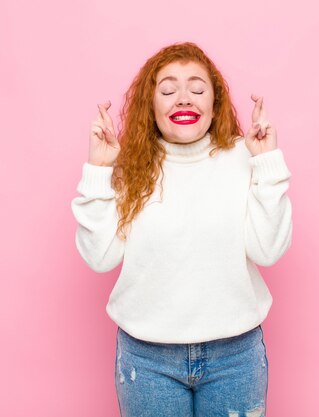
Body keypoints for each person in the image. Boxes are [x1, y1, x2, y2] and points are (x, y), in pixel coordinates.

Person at [71, 41, 292, 417]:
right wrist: (99, 170)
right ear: (150, 105)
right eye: (169, 89)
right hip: (148, 360)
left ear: (214, 102)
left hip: (235, 357)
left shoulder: (243, 157)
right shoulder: (129, 166)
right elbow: (99, 257)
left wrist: (267, 163)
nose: (183, 98)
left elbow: (268, 250)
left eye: (197, 88)